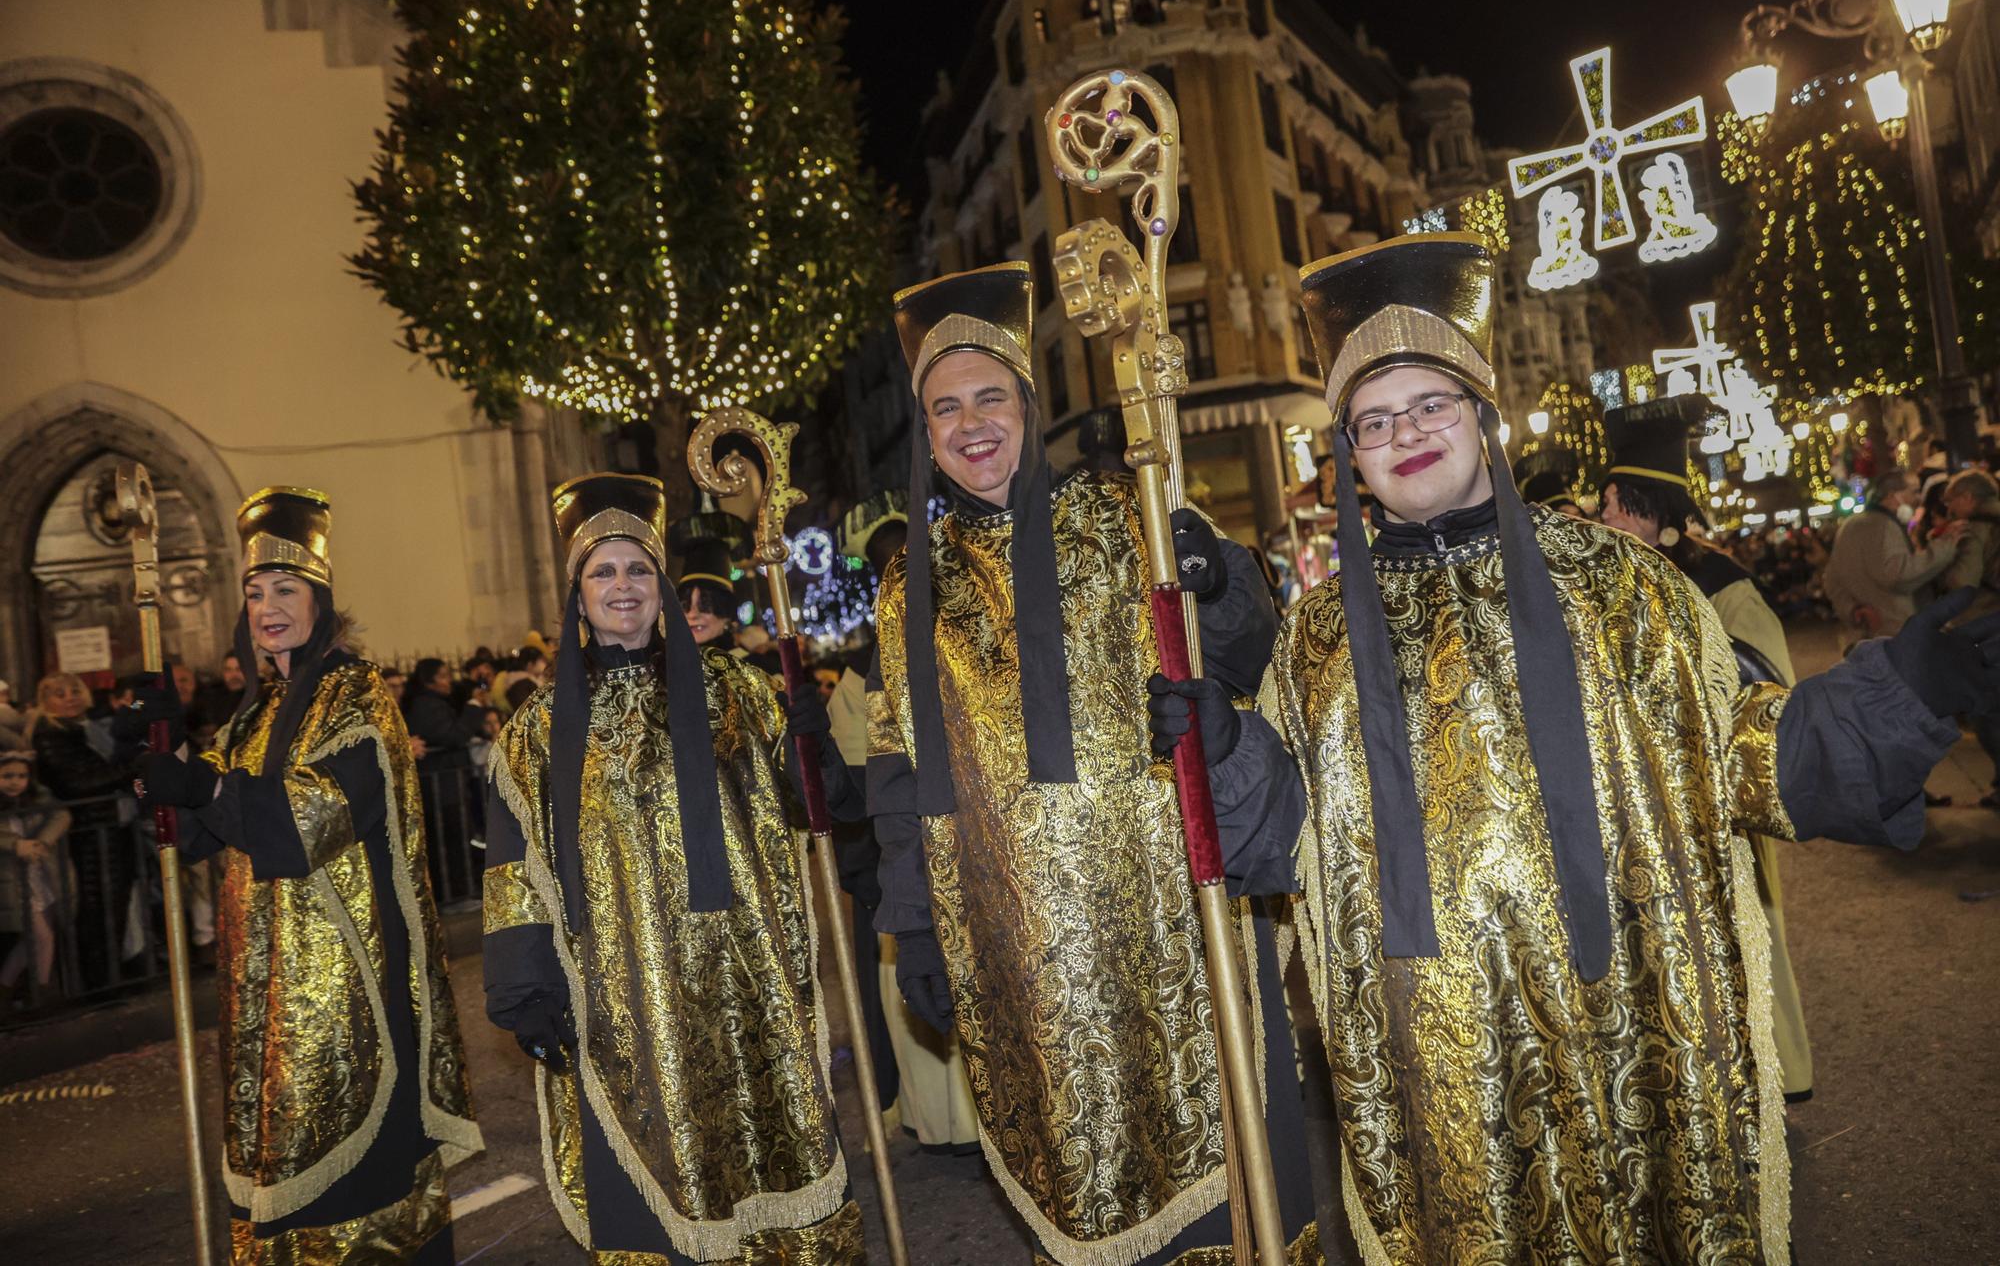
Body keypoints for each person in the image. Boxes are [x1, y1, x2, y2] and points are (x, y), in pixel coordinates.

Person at [1154, 232, 1997, 1261]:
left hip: (1630, 1043)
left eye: (1429, 403)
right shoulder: (1316, 641)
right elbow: (1298, 842)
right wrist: (1229, 749)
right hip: (1441, 1080)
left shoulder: (1624, 586)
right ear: (1350, 454)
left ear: (1482, 412)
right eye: (1373, 418)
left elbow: (1746, 756)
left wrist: (1903, 692)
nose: (1404, 432)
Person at [864, 263, 1318, 1262]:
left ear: (1029, 406)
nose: (972, 424)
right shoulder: (908, 588)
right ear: (926, 433)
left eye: (990, 397)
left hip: (1172, 919)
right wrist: (916, 924)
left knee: (1231, 1175)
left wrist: (1217, 579)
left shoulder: (1128, 512)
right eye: (946, 408)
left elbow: (1250, 652)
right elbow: (902, 770)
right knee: (1079, 1182)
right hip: (1018, 948)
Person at [482, 473, 861, 1260]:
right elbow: (515, 865)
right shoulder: (535, 731)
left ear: (659, 584)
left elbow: (817, 807)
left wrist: (812, 741)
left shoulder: (739, 690)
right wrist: (523, 986)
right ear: (578, 594)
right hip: (623, 997)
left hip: (742, 980)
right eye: (603, 571)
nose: (622, 586)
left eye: (638, 569)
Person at [134, 485, 480, 1263]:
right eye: (256, 591)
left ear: (320, 598)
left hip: (343, 991)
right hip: (267, 992)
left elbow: (312, 816)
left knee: (354, 1170)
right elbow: (199, 825)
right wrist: (159, 749)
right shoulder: (255, 712)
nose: (268, 607)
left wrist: (203, 785)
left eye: (285, 588)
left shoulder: (357, 697)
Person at [1599, 395, 1814, 1100]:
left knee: (1745, 934)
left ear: (1647, 509)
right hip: (1644, 805)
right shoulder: (1613, 579)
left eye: (1613, 506)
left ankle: (1774, 1077)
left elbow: (1769, 690)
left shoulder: (1722, 585)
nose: (1603, 519)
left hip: (1719, 801)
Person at [30, 671, 138, 990]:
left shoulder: (91, 726)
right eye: (59, 694)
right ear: (45, 701)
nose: (70, 698)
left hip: (114, 822)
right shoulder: (50, 734)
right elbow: (76, 781)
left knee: (117, 901)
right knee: (95, 906)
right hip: (89, 829)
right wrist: (131, 770)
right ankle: (97, 981)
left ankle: (113, 971)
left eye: (74, 691)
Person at [1822, 466, 1961, 642]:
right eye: (1913, 491)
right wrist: (1945, 547)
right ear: (1893, 495)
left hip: (1867, 636)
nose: (1917, 498)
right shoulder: (1884, 526)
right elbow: (1899, 574)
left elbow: (1831, 579)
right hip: (1896, 630)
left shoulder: (1849, 526)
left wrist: (1853, 610)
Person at [1938, 468, 2000, 806]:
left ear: (1968, 498)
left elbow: (1963, 583)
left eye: (1951, 502)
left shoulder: (1974, 529)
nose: (1949, 510)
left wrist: (1945, 554)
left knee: (1985, 710)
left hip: (1987, 625)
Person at [0, 747, 70, 1004]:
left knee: (32, 940)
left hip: (39, 877)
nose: (15, 782)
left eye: (21, 776)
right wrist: (15, 845)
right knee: (42, 937)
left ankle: (6, 989)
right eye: (7, 776)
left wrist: (42, 842)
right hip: (12, 881)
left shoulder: (37, 797)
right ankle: (43, 992)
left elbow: (61, 815)